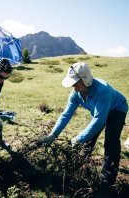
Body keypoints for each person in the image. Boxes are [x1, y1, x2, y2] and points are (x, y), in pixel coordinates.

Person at [38, 62, 128, 197]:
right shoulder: (76, 94)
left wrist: (77, 138)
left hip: (117, 109)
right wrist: (53, 134)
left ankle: (107, 182)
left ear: (85, 79)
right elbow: (66, 115)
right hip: (99, 112)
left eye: (75, 82)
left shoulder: (102, 90)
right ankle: (81, 168)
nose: (72, 86)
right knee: (88, 141)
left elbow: (99, 121)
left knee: (110, 141)